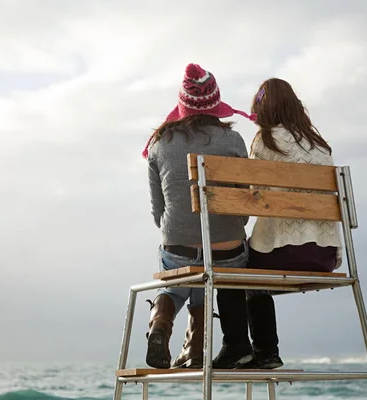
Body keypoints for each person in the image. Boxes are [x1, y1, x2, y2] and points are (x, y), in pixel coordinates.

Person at [213, 78, 344, 370]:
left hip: (282, 252)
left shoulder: (265, 140)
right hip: (323, 255)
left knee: (240, 268)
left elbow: (250, 197)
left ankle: (259, 351)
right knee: (252, 268)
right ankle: (266, 354)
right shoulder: (320, 146)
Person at [143, 63, 257, 369]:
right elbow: (244, 203)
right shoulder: (232, 141)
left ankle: (161, 324)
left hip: (178, 246)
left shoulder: (159, 143)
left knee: (178, 277)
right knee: (209, 264)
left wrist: (180, 230)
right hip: (228, 250)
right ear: (214, 104)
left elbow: (158, 211)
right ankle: (194, 347)